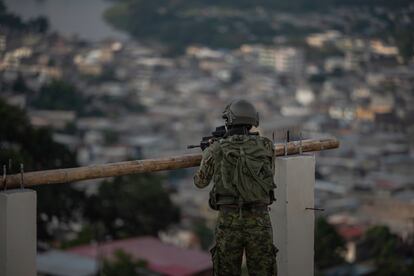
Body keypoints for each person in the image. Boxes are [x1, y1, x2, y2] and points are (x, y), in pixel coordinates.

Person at [194, 99, 278, 276]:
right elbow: (270, 176)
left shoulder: (216, 148)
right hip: (260, 219)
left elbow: (200, 182)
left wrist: (207, 153)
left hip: (229, 220)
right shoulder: (266, 146)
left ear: (229, 121)